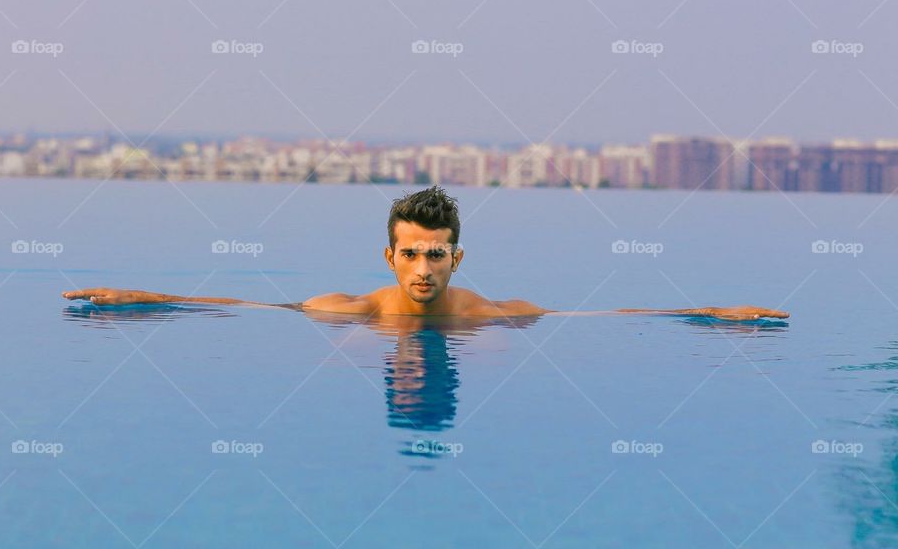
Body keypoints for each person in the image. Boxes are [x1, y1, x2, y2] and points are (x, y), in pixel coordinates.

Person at [62, 186, 790, 322]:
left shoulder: (488, 316)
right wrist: (137, 297)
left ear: (457, 258)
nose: (423, 267)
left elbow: (602, 312)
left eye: (436, 254)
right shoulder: (351, 312)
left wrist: (713, 311)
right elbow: (238, 304)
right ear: (389, 256)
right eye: (411, 253)